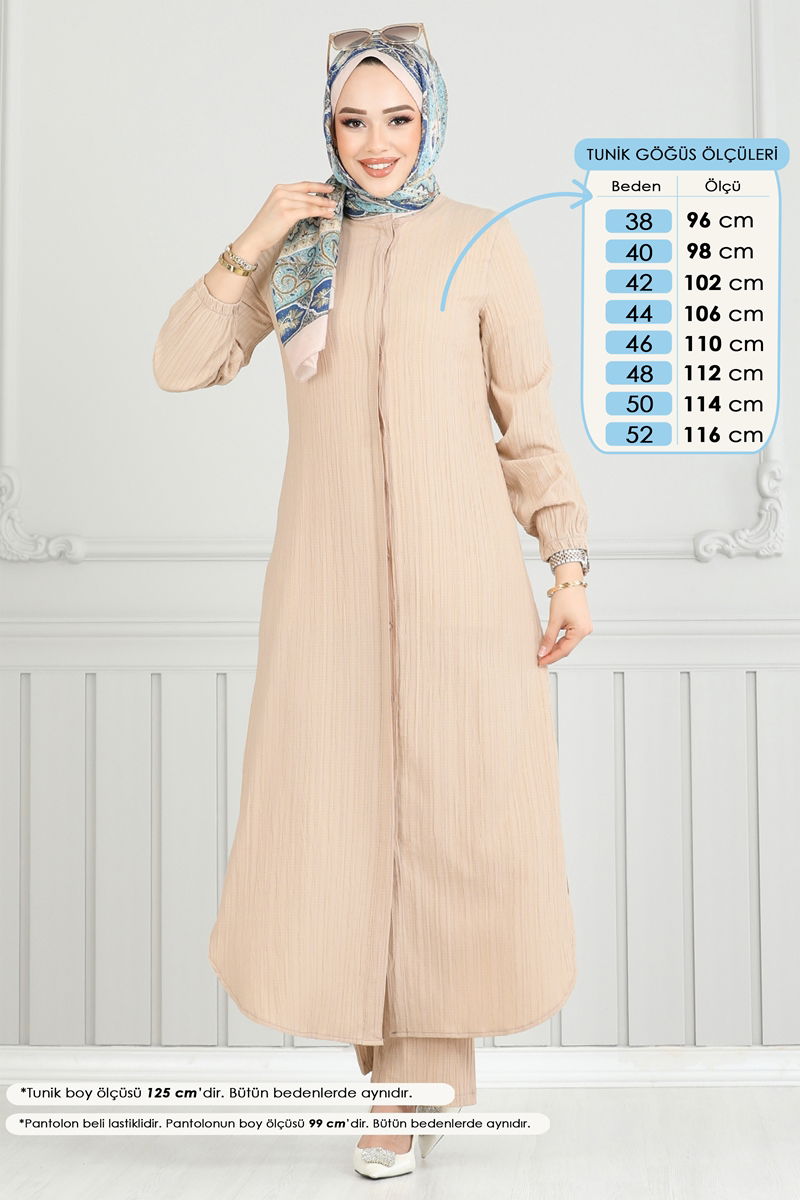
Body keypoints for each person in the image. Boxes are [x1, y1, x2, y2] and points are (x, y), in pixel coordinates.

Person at [152, 23, 592, 1180]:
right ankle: (395, 1092)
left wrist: (566, 564)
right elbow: (181, 362)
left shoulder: (482, 242)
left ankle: (408, 1096)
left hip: (463, 587)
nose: (376, 143)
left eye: (397, 118)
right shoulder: (300, 249)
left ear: (428, 119)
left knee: (451, 825)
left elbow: (527, 423)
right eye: (353, 120)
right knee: (341, 827)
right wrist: (255, 235)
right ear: (328, 128)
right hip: (326, 588)